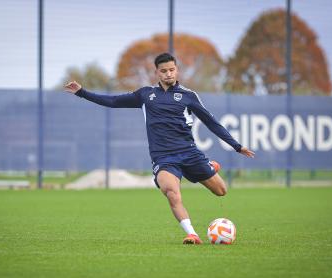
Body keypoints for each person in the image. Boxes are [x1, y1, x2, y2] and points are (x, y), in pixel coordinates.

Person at [65, 52, 255, 244]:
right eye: (163, 71)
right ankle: (192, 234)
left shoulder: (189, 96)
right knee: (172, 192)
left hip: (189, 153)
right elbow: (113, 101)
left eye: (172, 70)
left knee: (221, 191)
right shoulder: (146, 95)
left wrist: (237, 146)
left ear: (177, 70)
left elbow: (211, 122)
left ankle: (208, 167)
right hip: (164, 158)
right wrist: (82, 92)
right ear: (157, 73)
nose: (168, 74)